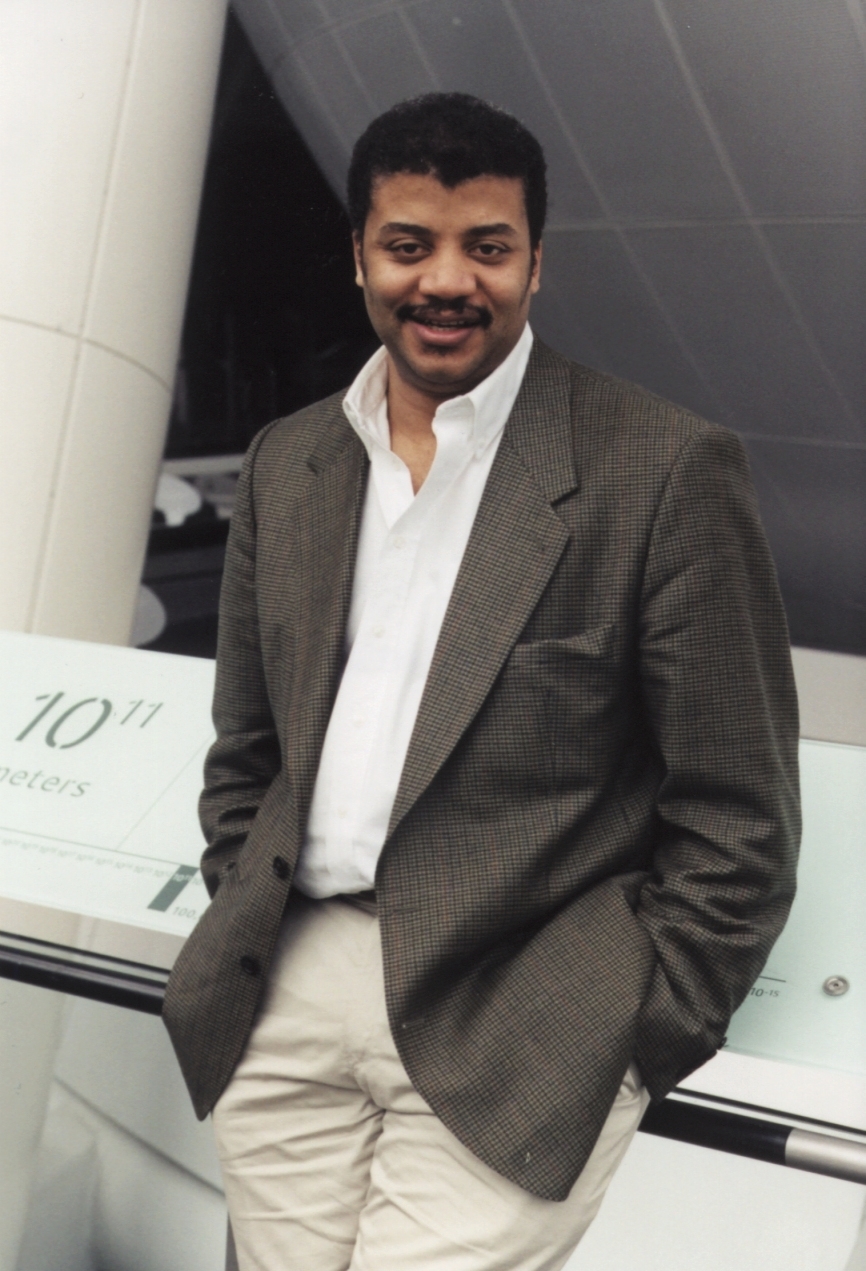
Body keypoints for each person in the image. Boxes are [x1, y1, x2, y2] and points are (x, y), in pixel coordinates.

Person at [163, 93, 800, 1270]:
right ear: (359, 254)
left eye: (486, 247)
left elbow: (736, 813)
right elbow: (245, 748)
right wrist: (240, 892)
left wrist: (633, 1031)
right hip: (287, 982)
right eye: (408, 244)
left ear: (535, 263)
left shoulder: (659, 468)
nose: (445, 279)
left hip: (526, 1010)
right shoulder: (290, 458)